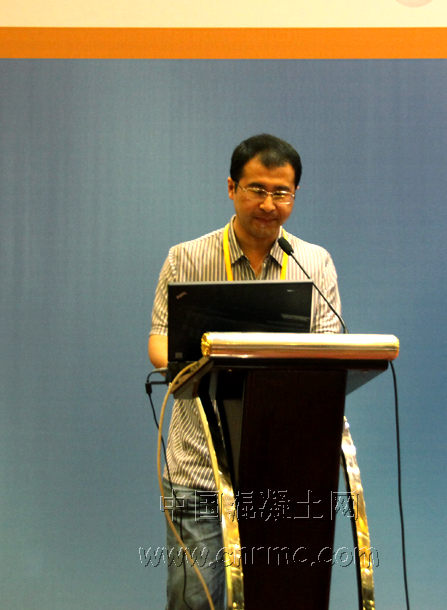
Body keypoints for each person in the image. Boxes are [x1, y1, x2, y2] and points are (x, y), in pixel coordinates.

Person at [148, 134, 342, 610]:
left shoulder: (313, 263)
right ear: (232, 188)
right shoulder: (186, 258)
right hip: (199, 467)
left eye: (282, 193)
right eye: (257, 189)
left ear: (294, 195)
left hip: (283, 467)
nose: (269, 205)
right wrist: (213, 356)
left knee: (281, 598)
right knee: (197, 602)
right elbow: (158, 343)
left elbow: (331, 350)